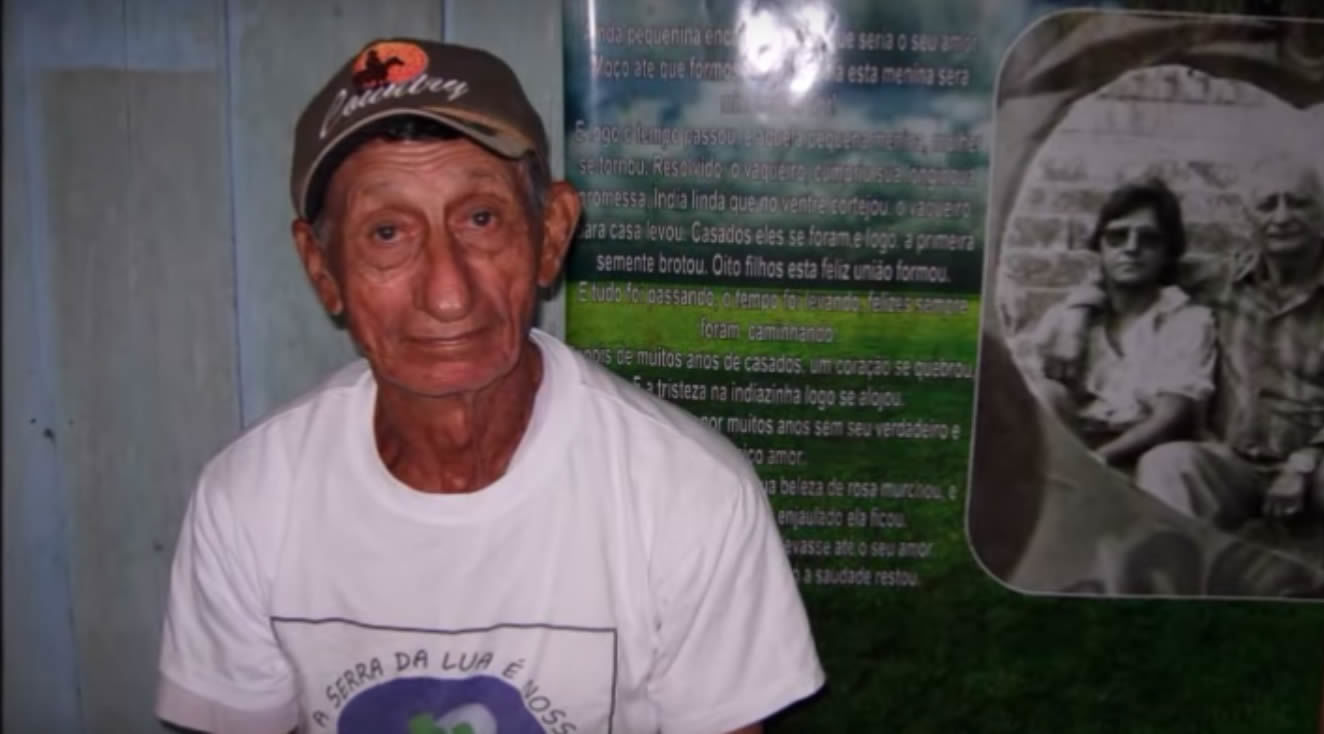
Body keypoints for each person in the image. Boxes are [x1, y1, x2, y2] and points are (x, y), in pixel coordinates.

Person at [155, 38, 824, 734]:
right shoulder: (250, 499)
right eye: (387, 233)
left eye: (480, 219)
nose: (448, 295)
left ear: (550, 233)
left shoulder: (689, 493)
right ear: (321, 268)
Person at [1044, 153, 1324, 537]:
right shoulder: (1220, 279)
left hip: (1317, 461)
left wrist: (1305, 461)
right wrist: (1075, 320)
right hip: (1231, 462)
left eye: (1298, 203)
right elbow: (1127, 269)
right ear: (1249, 218)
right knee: (1169, 462)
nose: (1281, 217)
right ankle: (1169, 583)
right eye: (1267, 204)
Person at [1028, 179, 1215, 468]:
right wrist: (1075, 318)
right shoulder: (1068, 317)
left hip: (1143, 456)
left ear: (1168, 252)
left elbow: (1172, 415)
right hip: (1070, 450)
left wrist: (1100, 460)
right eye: (1117, 236)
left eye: (1148, 239)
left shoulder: (1187, 321)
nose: (1131, 248)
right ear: (1100, 247)